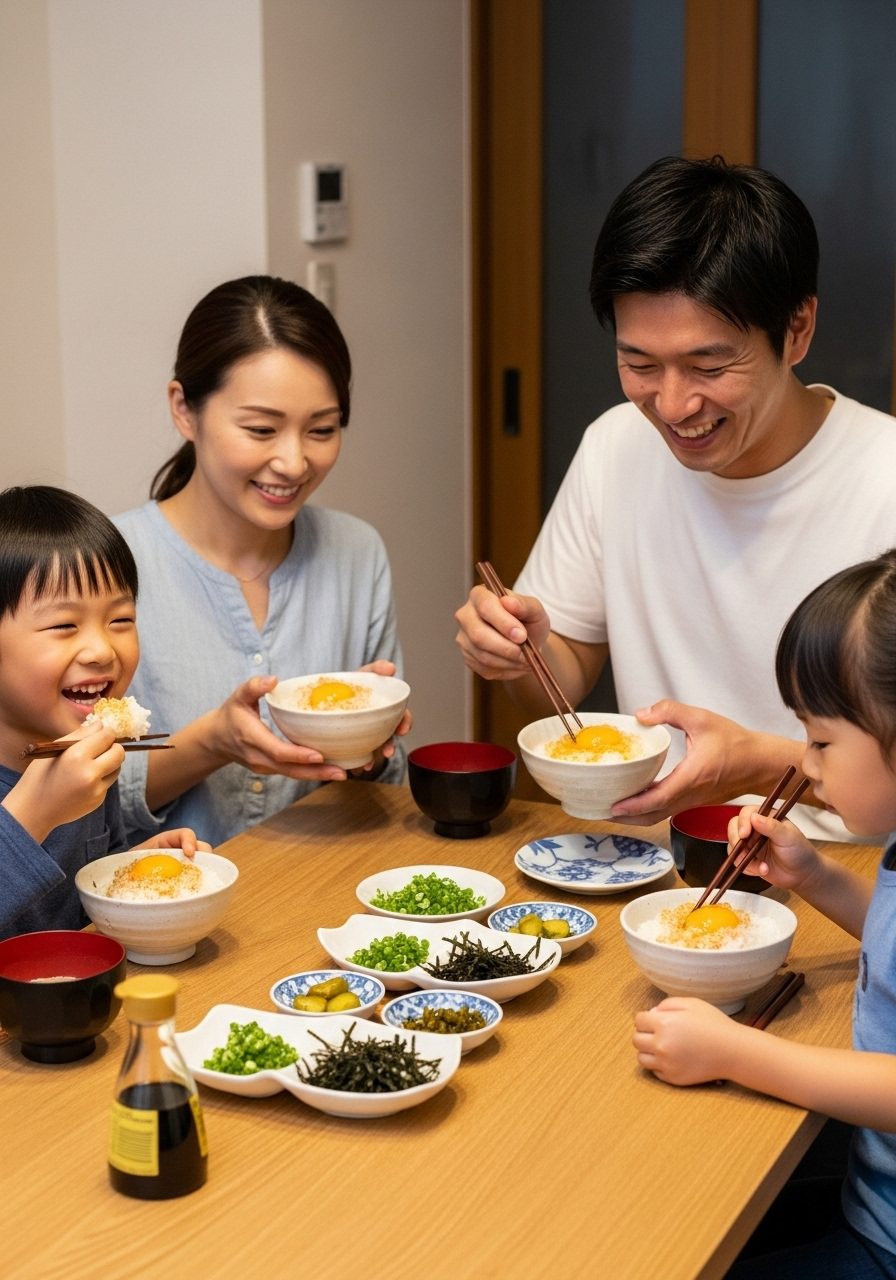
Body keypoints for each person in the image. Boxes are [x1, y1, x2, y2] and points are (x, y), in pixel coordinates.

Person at [455, 155, 896, 838]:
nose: (672, 404)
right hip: (653, 873)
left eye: (709, 365)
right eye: (638, 363)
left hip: (852, 888)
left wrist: (759, 765)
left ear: (798, 330)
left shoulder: (883, 476)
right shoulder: (616, 446)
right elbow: (559, 685)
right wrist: (523, 653)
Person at [633, 549, 896, 1276]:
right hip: (868, 1198)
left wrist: (738, 1055)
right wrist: (814, 876)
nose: (803, 766)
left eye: (821, 741)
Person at [113, 275, 409, 848]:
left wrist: (368, 746)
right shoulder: (112, 567)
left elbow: (384, 785)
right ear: (184, 409)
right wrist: (212, 743)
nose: (294, 462)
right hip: (168, 909)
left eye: (321, 430)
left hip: (327, 890)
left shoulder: (356, 552)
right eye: (261, 429)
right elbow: (77, 809)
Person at [0, 486, 208, 939]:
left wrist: (133, 870)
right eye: (63, 625)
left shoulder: (90, 751)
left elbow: (79, 905)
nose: (101, 649)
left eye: (120, 620)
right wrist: (35, 813)